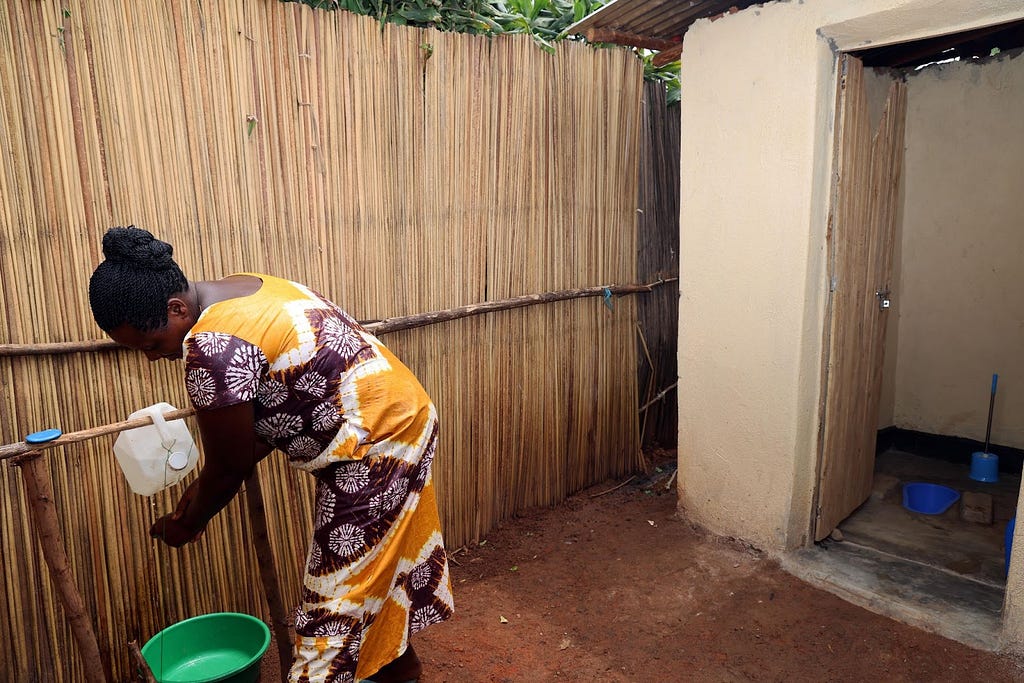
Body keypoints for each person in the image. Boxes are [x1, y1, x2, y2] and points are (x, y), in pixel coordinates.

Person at [88, 226, 453, 683]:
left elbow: (230, 465)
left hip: (378, 447)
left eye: (150, 345)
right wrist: (201, 488)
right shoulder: (245, 286)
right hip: (396, 416)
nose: (150, 358)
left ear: (176, 309)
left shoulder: (210, 347)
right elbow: (263, 424)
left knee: (330, 606)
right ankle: (402, 671)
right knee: (367, 573)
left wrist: (188, 523)